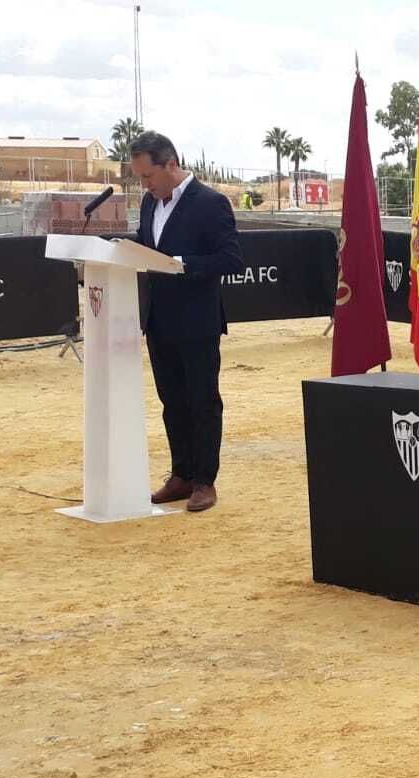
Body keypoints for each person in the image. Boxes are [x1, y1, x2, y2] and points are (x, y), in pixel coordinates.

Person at [130, 131, 243, 514]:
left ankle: (204, 481)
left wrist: (183, 265)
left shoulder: (211, 203)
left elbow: (231, 259)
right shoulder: (149, 204)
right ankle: (181, 474)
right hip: (158, 321)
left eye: (148, 176)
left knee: (202, 401)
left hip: (197, 322)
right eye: (140, 178)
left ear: (171, 164)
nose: (145, 185)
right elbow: (145, 247)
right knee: (172, 402)